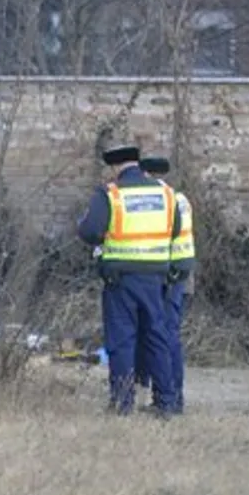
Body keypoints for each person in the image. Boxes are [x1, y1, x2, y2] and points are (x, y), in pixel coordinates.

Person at [76, 145, 180, 417]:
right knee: (156, 337)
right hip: (156, 277)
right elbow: (175, 229)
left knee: (122, 340)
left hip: (121, 279)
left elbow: (90, 231)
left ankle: (123, 402)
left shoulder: (111, 194)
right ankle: (165, 402)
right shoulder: (166, 193)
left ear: (115, 167)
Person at [136, 155, 193, 414]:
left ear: (146, 174)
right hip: (180, 274)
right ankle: (171, 396)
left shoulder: (159, 200)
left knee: (163, 335)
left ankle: (168, 399)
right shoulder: (179, 198)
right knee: (167, 335)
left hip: (166, 275)